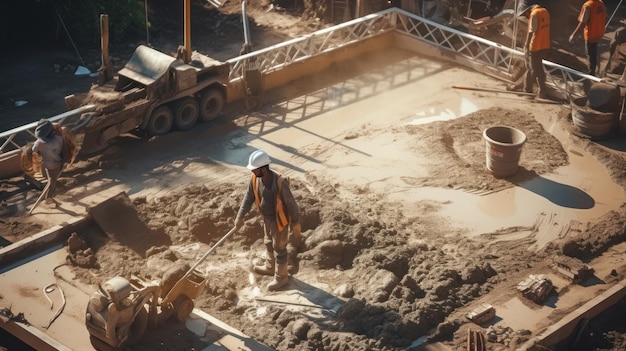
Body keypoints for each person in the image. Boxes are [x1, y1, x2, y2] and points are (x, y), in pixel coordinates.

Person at [234, 149, 301, 291]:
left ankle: (281, 277)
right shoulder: (254, 180)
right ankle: (270, 267)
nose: (252, 172)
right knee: (268, 243)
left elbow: (291, 203)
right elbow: (248, 198)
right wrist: (240, 216)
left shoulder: (280, 182)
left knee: (280, 249)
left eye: (255, 169)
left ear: (263, 168)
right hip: (267, 219)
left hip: (280, 222)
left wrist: (296, 222)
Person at [31, 119, 67, 207]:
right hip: (57, 164)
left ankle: (49, 197)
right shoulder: (59, 139)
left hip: (46, 164)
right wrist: (64, 161)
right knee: (52, 182)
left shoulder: (38, 143)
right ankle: (49, 198)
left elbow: (34, 150)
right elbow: (65, 153)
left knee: (51, 179)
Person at [520, 4, 550, 99]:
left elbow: (531, 31)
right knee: (538, 67)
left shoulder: (534, 14)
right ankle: (542, 91)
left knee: (531, 68)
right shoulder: (545, 11)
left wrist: (526, 44)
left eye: (526, 15)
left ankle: (527, 90)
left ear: (528, 10)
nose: (527, 17)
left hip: (535, 45)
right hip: (544, 44)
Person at [569, 0, 606, 76]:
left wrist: (573, 35)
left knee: (590, 54)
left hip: (591, 33)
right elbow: (605, 16)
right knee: (595, 52)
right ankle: (596, 69)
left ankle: (591, 74)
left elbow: (583, 22)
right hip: (599, 32)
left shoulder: (588, 6)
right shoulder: (600, 3)